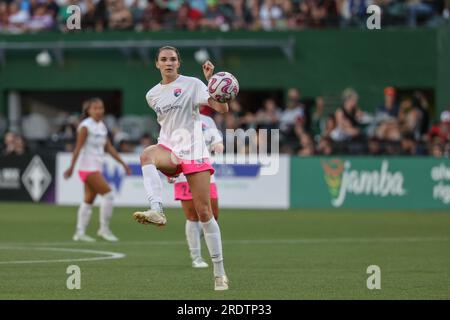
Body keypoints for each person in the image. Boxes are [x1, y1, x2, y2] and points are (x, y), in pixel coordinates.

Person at [132, 46, 230, 291]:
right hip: (169, 149)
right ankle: (157, 210)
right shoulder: (152, 95)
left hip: (195, 152)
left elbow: (222, 108)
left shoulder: (193, 84)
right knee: (146, 155)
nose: (168, 63)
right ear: (157, 64)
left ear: (179, 63)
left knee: (204, 213)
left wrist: (212, 83)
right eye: (164, 59)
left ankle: (219, 272)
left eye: (173, 59)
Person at [64, 98, 131, 242]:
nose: (99, 111)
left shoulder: (101, 126)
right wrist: (71, 167)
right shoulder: (85, 126)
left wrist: (123, 164)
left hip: (96, 168)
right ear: (88, 111)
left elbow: (109, 148)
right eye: (95, 108)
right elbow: (78, 148)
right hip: (87, 169)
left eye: (101, 108)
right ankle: (104, 229)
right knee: (109, 195)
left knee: (88, 201)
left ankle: (79, 233)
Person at [168, 113, 223, 269]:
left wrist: (218, 145)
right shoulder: (176, 118)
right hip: (183, 172)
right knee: (192, 216)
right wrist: (170, 170)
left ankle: (194, 238)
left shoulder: (207, 120)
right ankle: (196, 257)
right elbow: (168, 146)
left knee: (213, 214)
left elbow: (217, 139)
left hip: (204, 170)